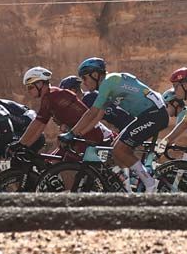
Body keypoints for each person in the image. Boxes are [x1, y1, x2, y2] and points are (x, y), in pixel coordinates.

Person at [73, 58, 170, 191]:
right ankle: (127, 189)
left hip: (154, 114)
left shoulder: (108, 82)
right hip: (148, 115)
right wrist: (80, 134)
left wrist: (71, 133)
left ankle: (150, 183)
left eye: (84, 78)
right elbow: (98, 116)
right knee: (115, 150)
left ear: (95, 75)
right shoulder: (109, 85)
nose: (83, 83)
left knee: (120, 149)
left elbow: (92, 112)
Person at [18, 67, 108, 156]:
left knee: (62, 164)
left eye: (30, 87)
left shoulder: (51, 96)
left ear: (40, 83)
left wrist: (20, 144)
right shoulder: (52, 94)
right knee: (52, 161)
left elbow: (38, 123)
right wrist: (25, 146)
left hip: (88, 135)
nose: (28, 91)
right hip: (79, 135)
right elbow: (40, 126)